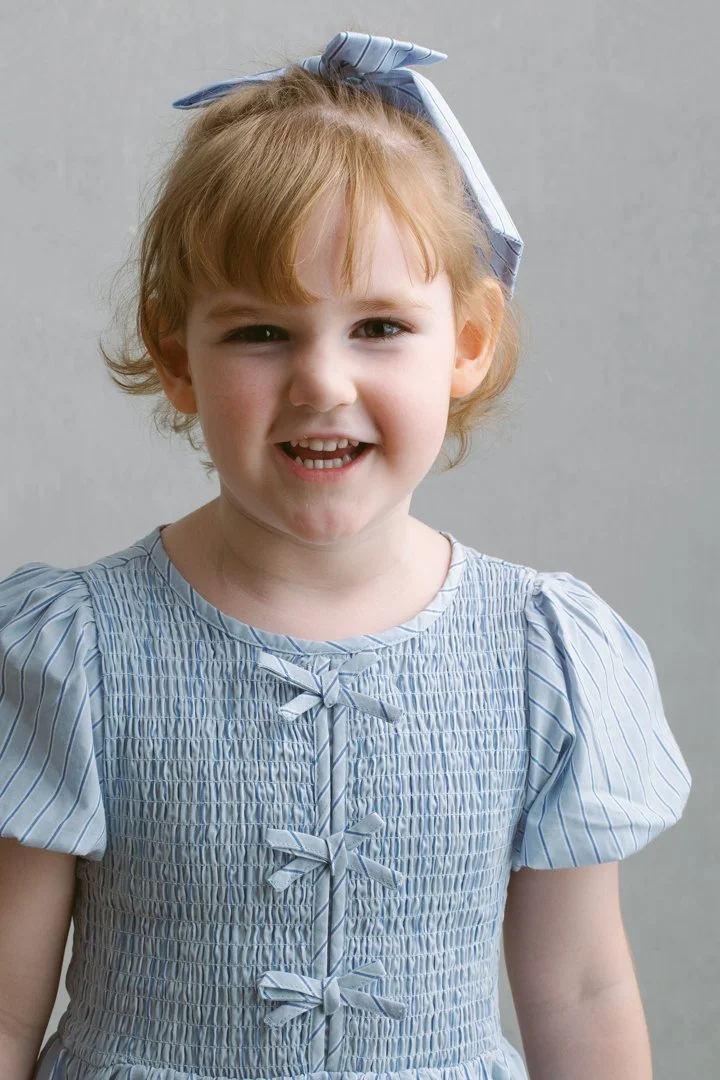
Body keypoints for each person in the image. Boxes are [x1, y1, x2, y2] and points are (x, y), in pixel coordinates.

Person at [0, 29, 691, 1080]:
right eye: (260, 333)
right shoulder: (77, 656)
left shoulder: (541, 657)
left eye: (378, 327)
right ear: (176, 352)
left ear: (467, 342)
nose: (322, 382)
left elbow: (582, 994)